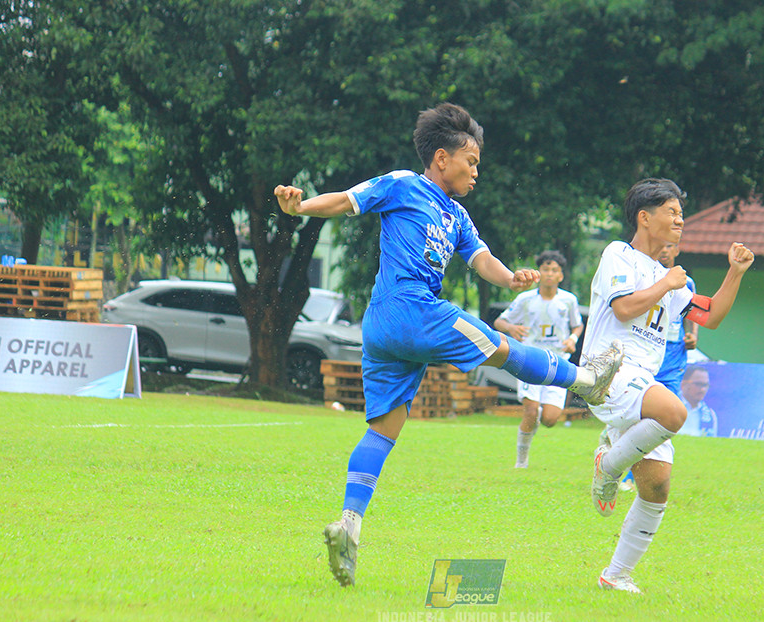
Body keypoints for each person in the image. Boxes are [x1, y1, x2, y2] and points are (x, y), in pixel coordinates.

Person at [274, 103, 623, 588]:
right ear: (442, 158)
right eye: (471, 161)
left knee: (383, 432)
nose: (476, 171)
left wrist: (512, 278)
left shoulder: (457, 215)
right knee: (499, 347)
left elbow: (484, 262)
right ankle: (587, 380)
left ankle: (349, 526)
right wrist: (300, 205)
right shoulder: (402, 184)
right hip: (413, 310)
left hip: (382, 328)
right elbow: (345, 201)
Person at [581, 177, 754, 594]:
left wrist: (735, 273)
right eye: (672, 212)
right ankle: (607, 466)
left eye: (681, 214)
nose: (680, 220)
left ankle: (616, 574)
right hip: (608, 371)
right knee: (676, 411)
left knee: (657, 488)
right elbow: (623, 308)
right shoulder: (618, 254)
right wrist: (666, 284)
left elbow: (709, 316)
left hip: (642, 382)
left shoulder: (671, 276)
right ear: (645, 217)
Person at [494, 250, 584, 468]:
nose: (550, 274)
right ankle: (521, 463)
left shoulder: (569, 300)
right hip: (530, 360)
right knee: (530, 411)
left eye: (555, 270)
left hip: (558, 361)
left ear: (561, 275)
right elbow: (499, 322)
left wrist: (572, 338)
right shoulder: (525, 299)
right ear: (539, 273)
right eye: (545, 269)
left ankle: (537, 418)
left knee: (550, 420)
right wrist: (511, 328)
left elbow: (577, 325)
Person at [619, 241, 697, 492]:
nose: (665, 250)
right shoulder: (644, 276)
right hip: (646, 355)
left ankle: (632, 475)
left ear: (677, 250)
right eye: (661, 245)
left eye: (670, 246)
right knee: (641, 416)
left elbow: (691, 314)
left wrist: (693, 335)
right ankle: (623, 461)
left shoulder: (688, 282)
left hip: (673, 358)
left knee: (665, 417)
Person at [679, 364, 717, 437]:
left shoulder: (710, 415)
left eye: (706, 385)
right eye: (698, 384)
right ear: (683, 384)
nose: (703, 389)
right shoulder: (670, 406)